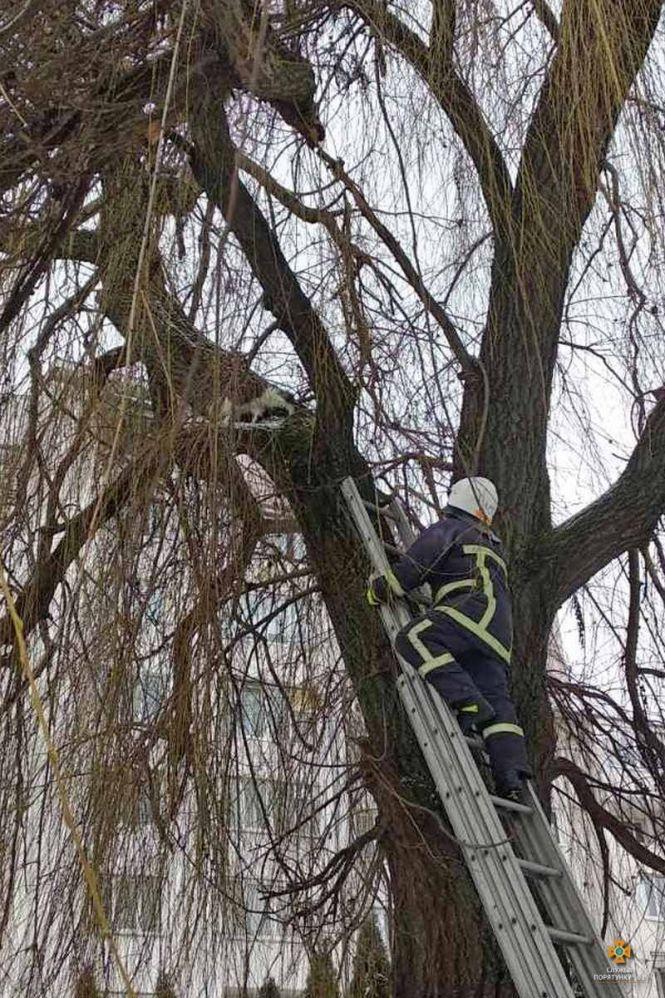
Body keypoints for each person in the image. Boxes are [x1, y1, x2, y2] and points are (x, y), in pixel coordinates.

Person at [366, 476, 531, 800]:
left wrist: (380, 589)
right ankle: (511, 775)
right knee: (497, 698)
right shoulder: (492, 542)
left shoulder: (451, 527)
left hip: (471, 609)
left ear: (459, 500)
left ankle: (468, 702)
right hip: (497, 633)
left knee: (413, 637)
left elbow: (413, 569)